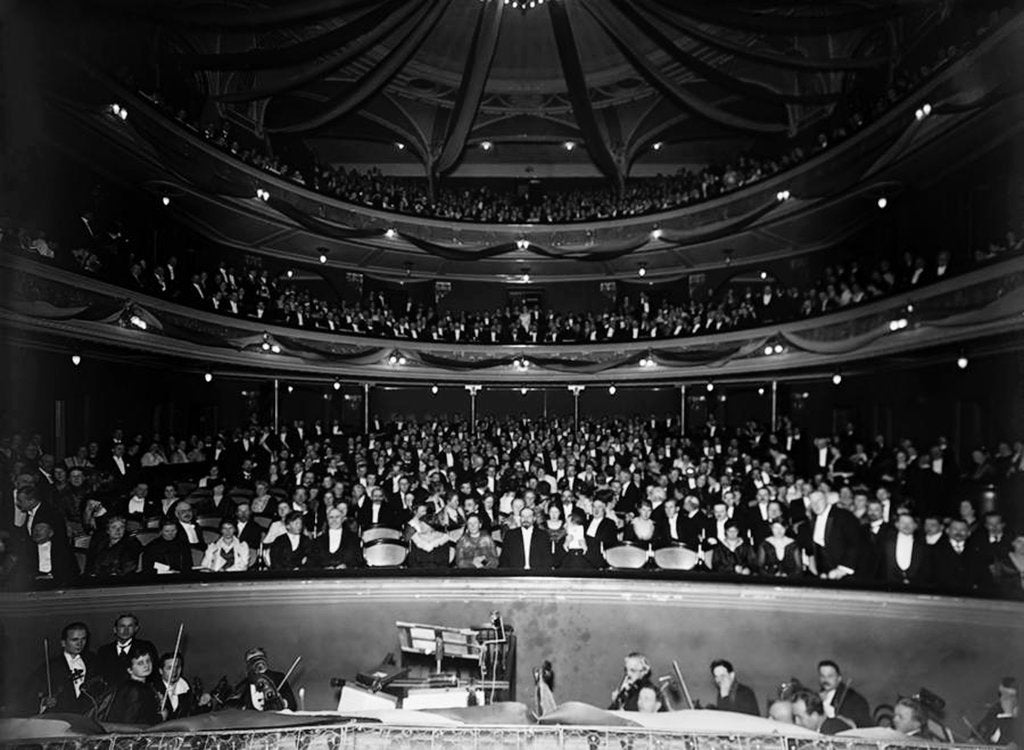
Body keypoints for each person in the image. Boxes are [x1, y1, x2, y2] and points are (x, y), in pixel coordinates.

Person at [33, 622, 102, 715]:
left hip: (88, 716)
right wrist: (44, 701)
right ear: (63, 643)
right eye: (75, 640)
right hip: (61, 717)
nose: (80, 644)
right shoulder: (51, 666)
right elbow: (33, 693)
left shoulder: (93, 660)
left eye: (83, 639)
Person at [96, 613, 160, 687]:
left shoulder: (146, 646)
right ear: (115, 629)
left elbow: (155, 675)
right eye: (122, 626)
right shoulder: (104, 650)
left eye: (130, 626)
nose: (126, 630)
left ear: (136, 629)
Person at [103, 645, 162, 725]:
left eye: (148, 661)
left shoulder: (142, 687)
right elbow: (131, 723)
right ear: (130, 670)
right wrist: (160, 717)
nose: (146, 665)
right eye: (140, 663)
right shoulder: (134, 690)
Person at [228, 647, 297, 711]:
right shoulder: (245, 683)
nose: (257, 663)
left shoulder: (278, 677)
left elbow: (292, 704)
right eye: (252, 661)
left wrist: (282, 703)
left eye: (260, 659)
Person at [817, 660, 871, 728]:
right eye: (822, 676)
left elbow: (861, 725)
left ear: (839, 678)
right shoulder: (818, 696)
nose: (825, 680)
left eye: (830, 676)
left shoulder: (854, 699)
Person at [157, 652, 207, 720]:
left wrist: (204, 704)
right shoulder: (153, 689)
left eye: (177, 667)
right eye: (169, 668)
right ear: (161, 671)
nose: (174, 671)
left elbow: (193, 714)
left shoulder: (185, 687)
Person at [976, 677, 1020, 746]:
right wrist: (974, 739)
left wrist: (1008, 714)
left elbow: (1010, 741)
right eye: (1000, 694)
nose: (1002, 699)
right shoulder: (996, 709)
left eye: (1009, 696)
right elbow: (981, 729)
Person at [791, 689, 856, 734]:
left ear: (814, 716)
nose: (796, 722)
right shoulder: (828, 727)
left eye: (800, 717)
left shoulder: (831, 733)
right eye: (794, 717)